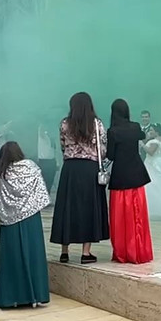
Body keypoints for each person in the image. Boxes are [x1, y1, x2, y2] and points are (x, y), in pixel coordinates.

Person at [49, 92, 109, 265]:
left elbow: (62, 146)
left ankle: (64, 252)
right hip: (89, 169)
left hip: (70, 169)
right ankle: (86, 253)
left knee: (67, 208)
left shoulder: (64, 124)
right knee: (88, 209)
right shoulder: (96, 124)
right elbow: (102, 150)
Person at [0, 141, 51, 308]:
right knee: (33, 255)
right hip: (31, 219)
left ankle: (9, 298)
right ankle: (36, 294)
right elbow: (40, 192)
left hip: (9, 222)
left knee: (11, 258)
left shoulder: (0, 173)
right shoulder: (31, 167)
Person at [106, 99, 154, 264]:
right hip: (136, 175)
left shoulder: (112, 131)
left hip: (120, 177)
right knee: (137, 215)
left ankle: (123, 252)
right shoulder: (135, 126)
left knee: (121, 217)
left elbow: (110, 155)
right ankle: (140, 250)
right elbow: (141, 136)